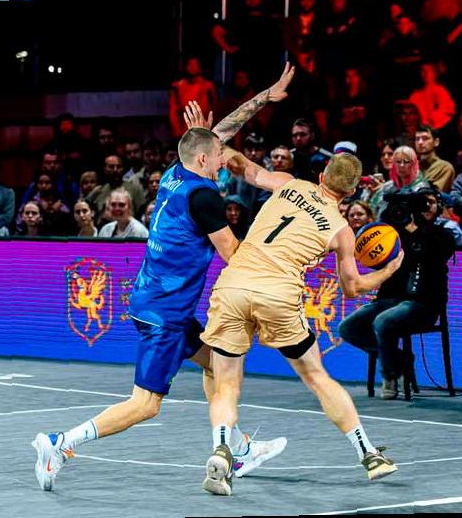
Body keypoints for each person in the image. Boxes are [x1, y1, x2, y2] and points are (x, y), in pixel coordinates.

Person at [31, 64, 296, 492]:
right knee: (145, 404)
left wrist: (266, 95)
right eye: (220, 157)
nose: (225, 162)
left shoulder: (178, 171)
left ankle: (237, 448)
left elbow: (219, 132)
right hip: (165, 316)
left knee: (219, 364)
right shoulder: (205, 197)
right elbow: (234, 255)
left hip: (154, 301)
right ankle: (60, 444)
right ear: (204, 159)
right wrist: (283, 253)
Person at [194, 135, 404, 495]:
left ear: (321, 175)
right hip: (278, 294)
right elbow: (352, 288)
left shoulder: (289, 183)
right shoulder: (341, 230)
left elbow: (242, 166)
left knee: (225, 382)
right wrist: (388, 270)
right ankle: (369, 454)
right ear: (352, 191)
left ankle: (222, 451)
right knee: (317, 376)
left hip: (233, 285)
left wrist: (214, 141)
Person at [339, 186, 455, 399]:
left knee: (383, 321)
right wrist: (389, 214)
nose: (426, 207)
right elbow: (374, 257)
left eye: (430, 203)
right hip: (388, 300)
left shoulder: (443, 233)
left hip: (423, 304)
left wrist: (415, 228)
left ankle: (390, 375)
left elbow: (436, 252)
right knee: (348, 328)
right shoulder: (392, 235)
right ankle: (400, 360)